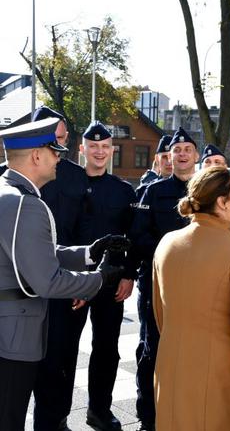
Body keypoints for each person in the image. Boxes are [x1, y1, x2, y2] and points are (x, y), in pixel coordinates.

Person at [0, 118, 127, 430]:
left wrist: (87, 253)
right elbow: (46, 280)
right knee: (10, 417)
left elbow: (36, 253)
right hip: (15, 334)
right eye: (54, 151)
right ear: (36, 156)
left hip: (8, 327)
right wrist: (99, 279)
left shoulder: (8, 193)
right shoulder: (27, 205)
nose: (60, 157)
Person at [152, 166, 230, 431]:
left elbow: (160, 315)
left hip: (170, 369)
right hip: (219, 378)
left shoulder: (166, 243)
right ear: (221, 201)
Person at [29, 107, 95, 431]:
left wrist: (82, 283)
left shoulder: (77, 176)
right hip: (21, 288)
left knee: (62, 360)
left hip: (65, 285)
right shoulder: (8, 176)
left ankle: (57, 420)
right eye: (49, 138)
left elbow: (85, 230)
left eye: (61, 138)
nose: (57, 145)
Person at [130, 127, 199, 431]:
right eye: (177, 149)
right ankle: (149, 416)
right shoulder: (153, 191)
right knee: (152, 351)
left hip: (200, 289)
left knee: (194, 353)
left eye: (187, 149)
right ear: (169, 157)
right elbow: (138, 235)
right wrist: (171, 256)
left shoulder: (207, 191)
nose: (182, 154)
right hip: (157, 286)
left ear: (196, 155)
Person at [74, 121, 139, 430]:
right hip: (70, 280)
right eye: (93, 146)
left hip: (110, 282)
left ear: (111, 150)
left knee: (106, 349)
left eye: (104, 146)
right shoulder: (66, 184)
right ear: (82, 149)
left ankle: (100, 410)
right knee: (62, 349)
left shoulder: (123, 190)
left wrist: (129, 275)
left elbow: (131, 238)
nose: (99, 151)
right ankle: (57, 414)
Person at [136, 135, 172, 202]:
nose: (169, 162)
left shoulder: (188, 187)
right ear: (157, 159)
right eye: (164, 157)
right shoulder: (146, 189)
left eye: (171, 157)